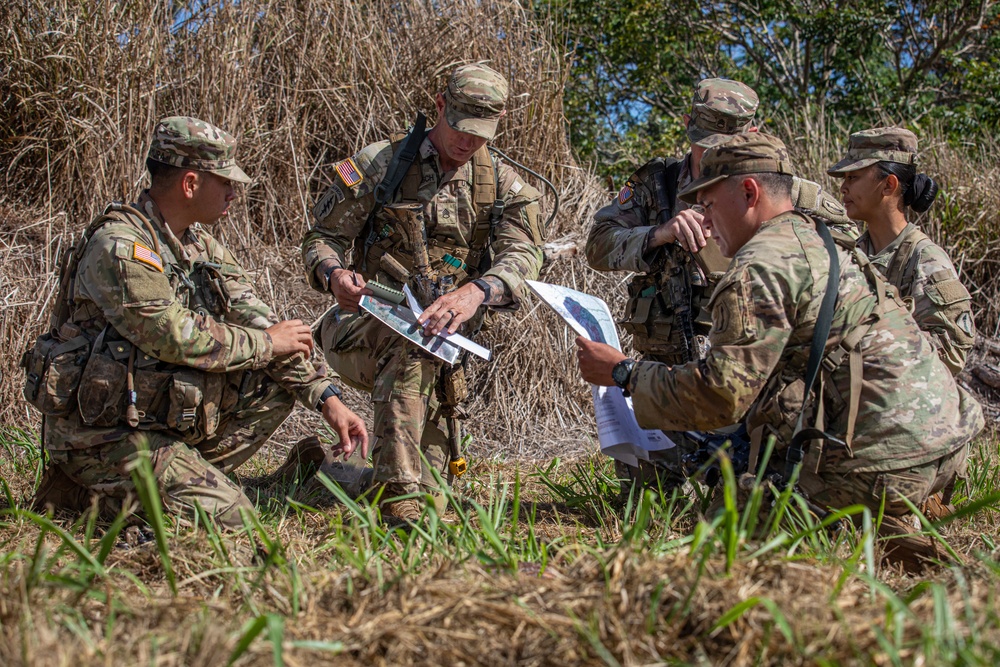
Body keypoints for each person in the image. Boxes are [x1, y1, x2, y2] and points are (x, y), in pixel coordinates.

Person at [576, 132, 983, 529]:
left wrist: (623, 373)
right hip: (946, 448)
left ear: (750, 194)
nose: (705, 223)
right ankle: (897, 502)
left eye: (710, 205)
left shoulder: (759, 267)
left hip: (887, 467)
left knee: (727, 517)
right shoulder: (825, 241)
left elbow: (720, 398)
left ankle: (879, 509)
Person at [25, 117, 368, 530]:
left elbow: (258, 318)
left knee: (277, 373)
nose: (234, 194)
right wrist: (264, 344)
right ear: (190, 184)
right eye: (225, 183)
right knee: (234, 517)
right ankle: (84, 492)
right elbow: (170, 334)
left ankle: (186, 479)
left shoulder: (197, 244)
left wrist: (327, 398)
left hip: (159, 421)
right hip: (102, 436)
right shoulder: (119, 247)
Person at [584, 78, 854, 492]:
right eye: (703, 141)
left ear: (752, 132)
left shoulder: (784, 189)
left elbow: (849, 256)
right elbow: (598, 245)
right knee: (647, 496)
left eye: (725, 142)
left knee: (752, 492)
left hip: (758, 382)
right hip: (670, 373)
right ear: (688, 123)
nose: (710, 154)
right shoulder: (657, 185)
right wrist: (657, 234)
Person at [302, 63, 545, 522]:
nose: (467, 142)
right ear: (439, 106)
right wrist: (334, 275)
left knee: (436, 496)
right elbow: (320, 238)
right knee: (408, 344)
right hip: (358, 328)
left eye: (481, 133)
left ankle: (328, 468)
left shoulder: (504, 187)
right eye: (459, 127)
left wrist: (477, 292)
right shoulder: (381, 163)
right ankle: (397, 499)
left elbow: (524, 256)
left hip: (442, 348)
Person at [828, 127, 975, 375]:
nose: (843, 188)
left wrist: (868, 339)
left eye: (853, 177)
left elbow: (952, 353)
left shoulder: (925, 259)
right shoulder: (850, 253)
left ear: (888, 185)